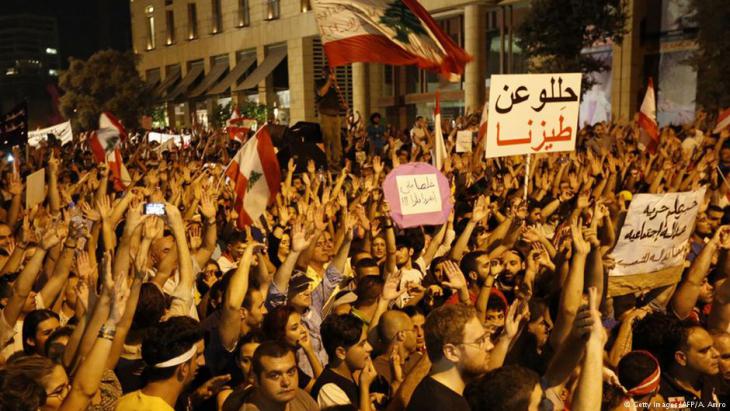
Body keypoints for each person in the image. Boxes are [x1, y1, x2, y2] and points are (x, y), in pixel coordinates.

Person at [406, 304, 492, 411]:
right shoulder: (443, 406)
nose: (490, 346)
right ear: (451, 352)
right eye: (480, 341)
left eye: (487, 337)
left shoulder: (431, 392)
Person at [221, 341, 319, 411]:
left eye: (291, 372)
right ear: (255, 379)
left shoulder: (299, 396)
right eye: (275, 375)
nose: (286, 382)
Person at [312, 314, 376, 411]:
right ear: (341, 352)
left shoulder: (350, 377)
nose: (370, 348)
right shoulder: (329, 390)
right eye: (362, 344)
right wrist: (364, 387)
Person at [317, 68, 344, 169]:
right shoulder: (320, 83)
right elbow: (321, 93)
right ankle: (328, 162)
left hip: (335, 115)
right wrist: (329, 81)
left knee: (337, 139)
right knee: (328, 137)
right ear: (323, 74)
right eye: (329, 73)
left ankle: (336, 162)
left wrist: (342, 106)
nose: (331, 75)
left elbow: (336, 100)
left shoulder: (334, 85)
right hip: (325, 114)